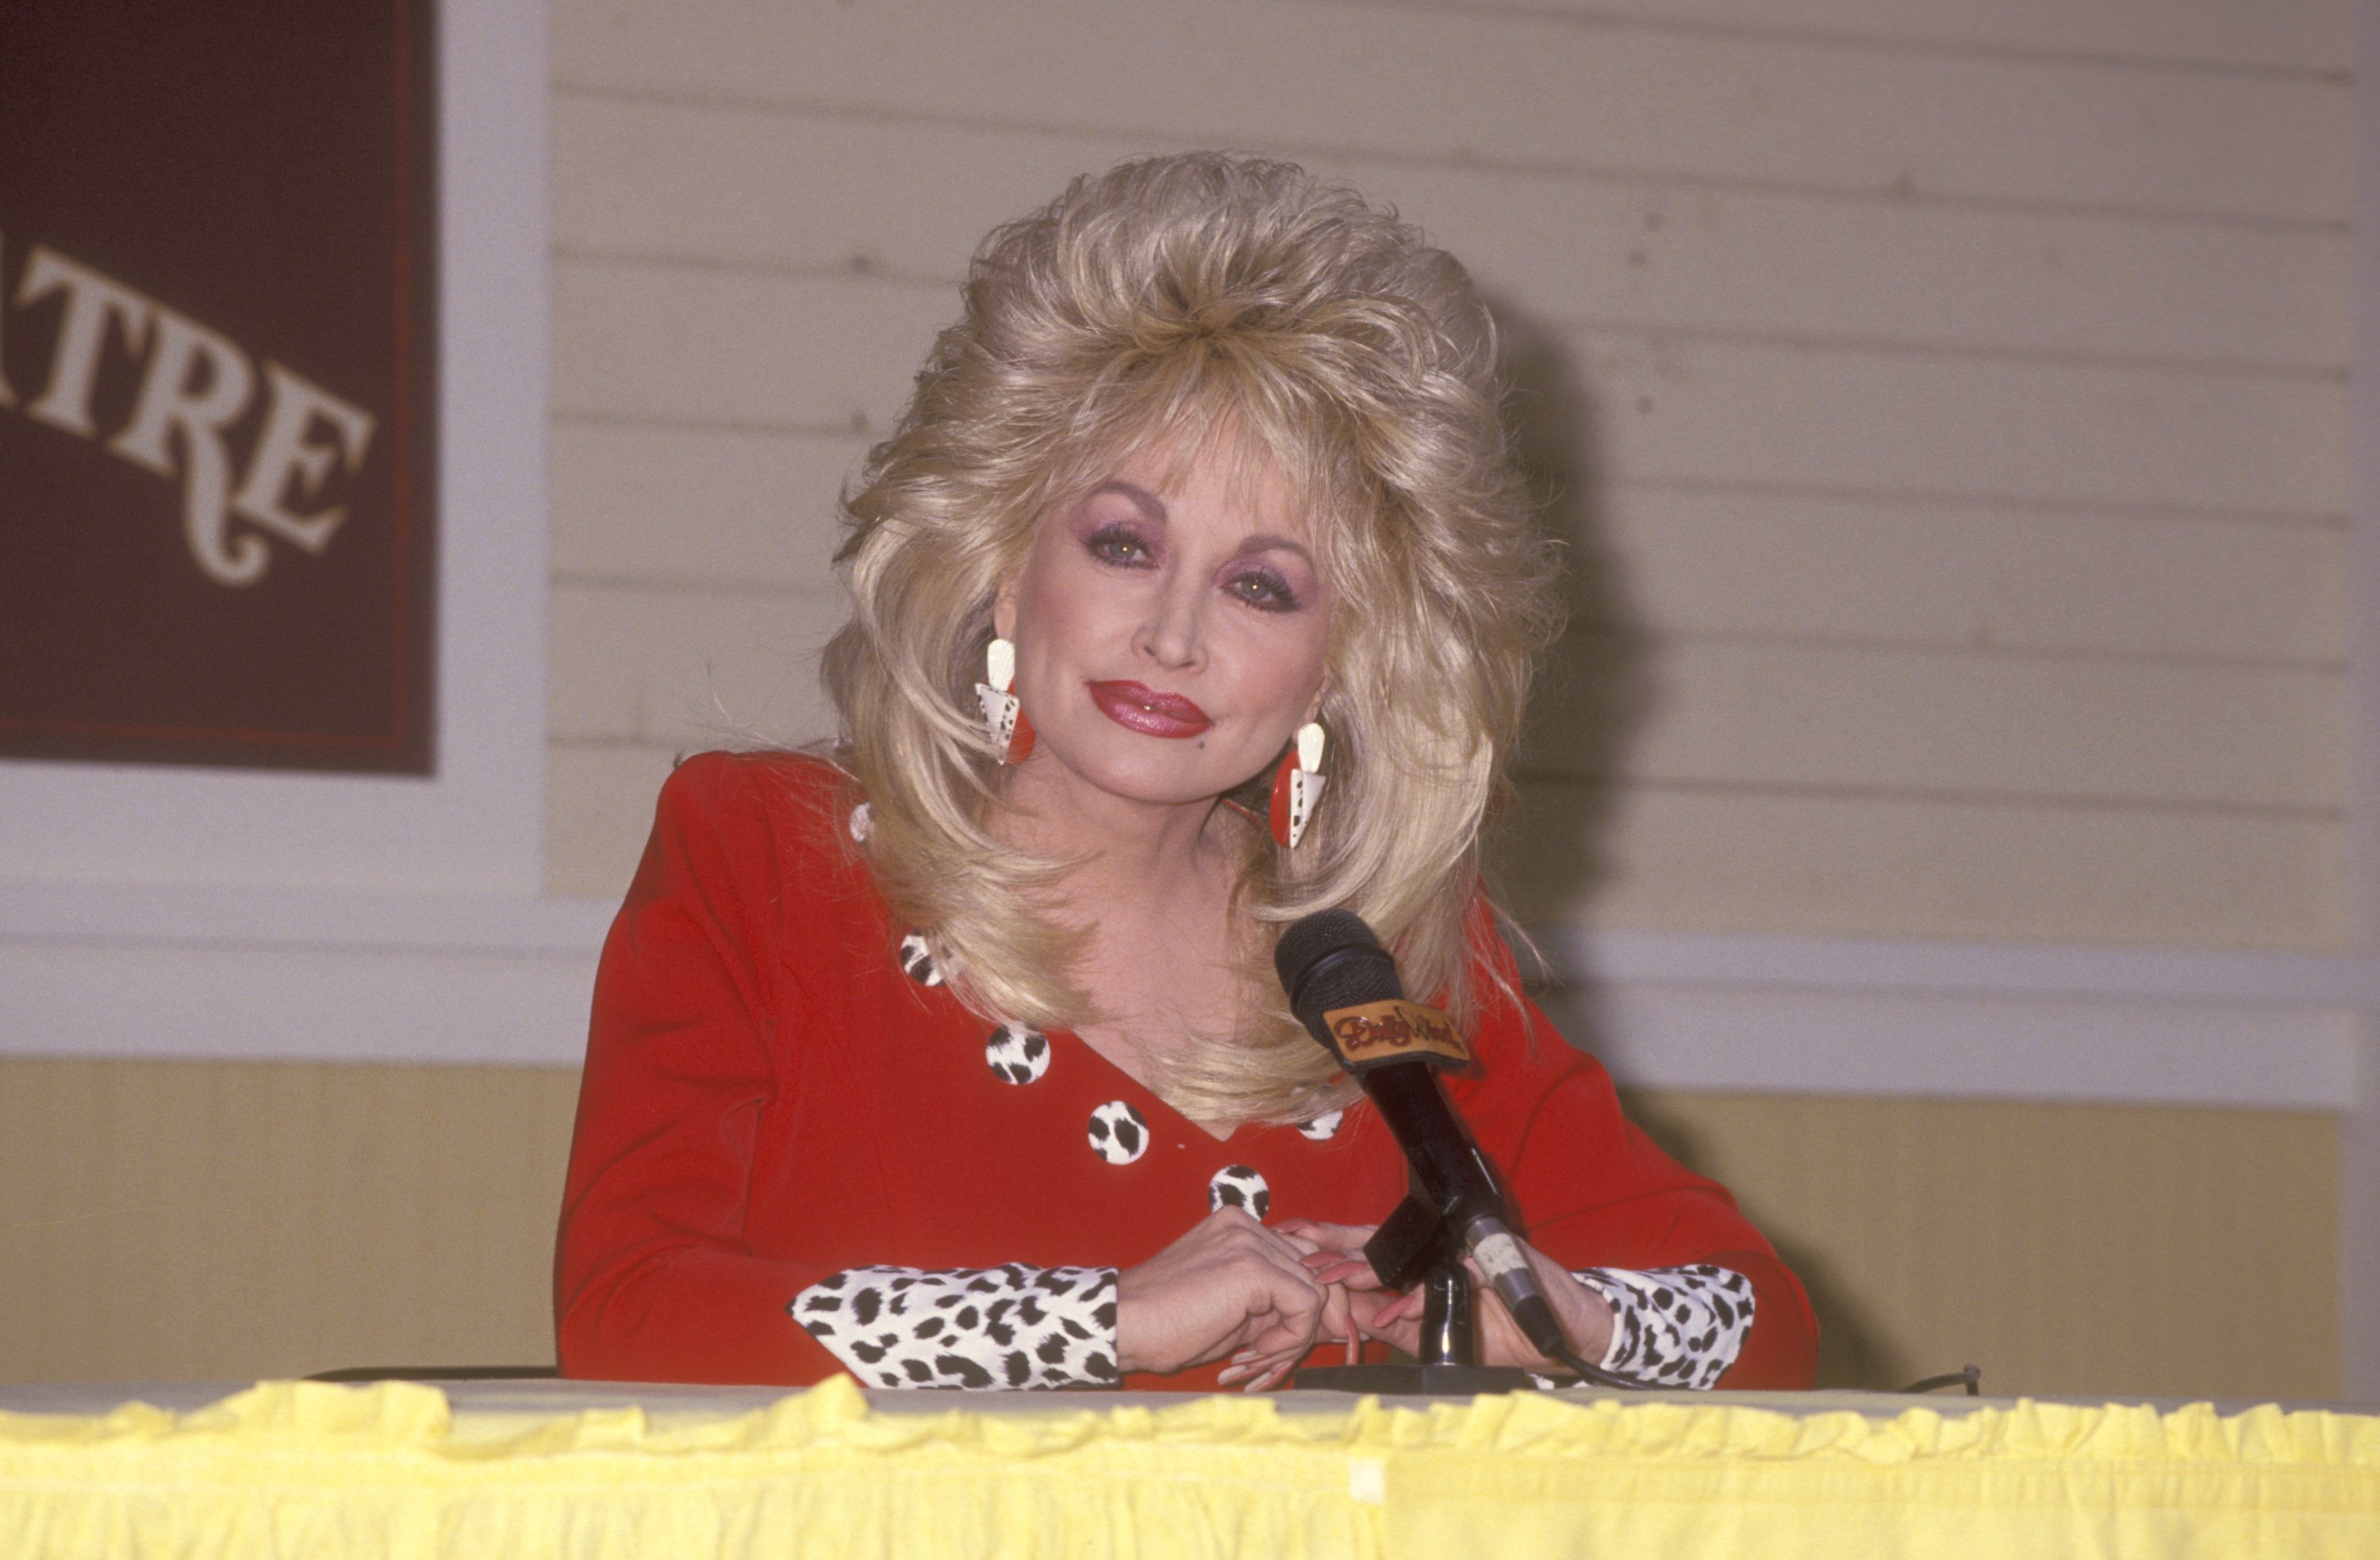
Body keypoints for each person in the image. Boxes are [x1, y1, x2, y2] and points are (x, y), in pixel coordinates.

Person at [554, 152, 1818, 1393]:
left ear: (1334, 667)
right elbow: (627, 1307)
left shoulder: (1396, 964)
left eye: (1262, 585)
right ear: (1005, 563)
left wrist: (1557, 1314)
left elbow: (1763, 1323)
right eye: (1121, 543)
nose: (1173, 634)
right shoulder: (761, 856)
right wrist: (1101, 1322)